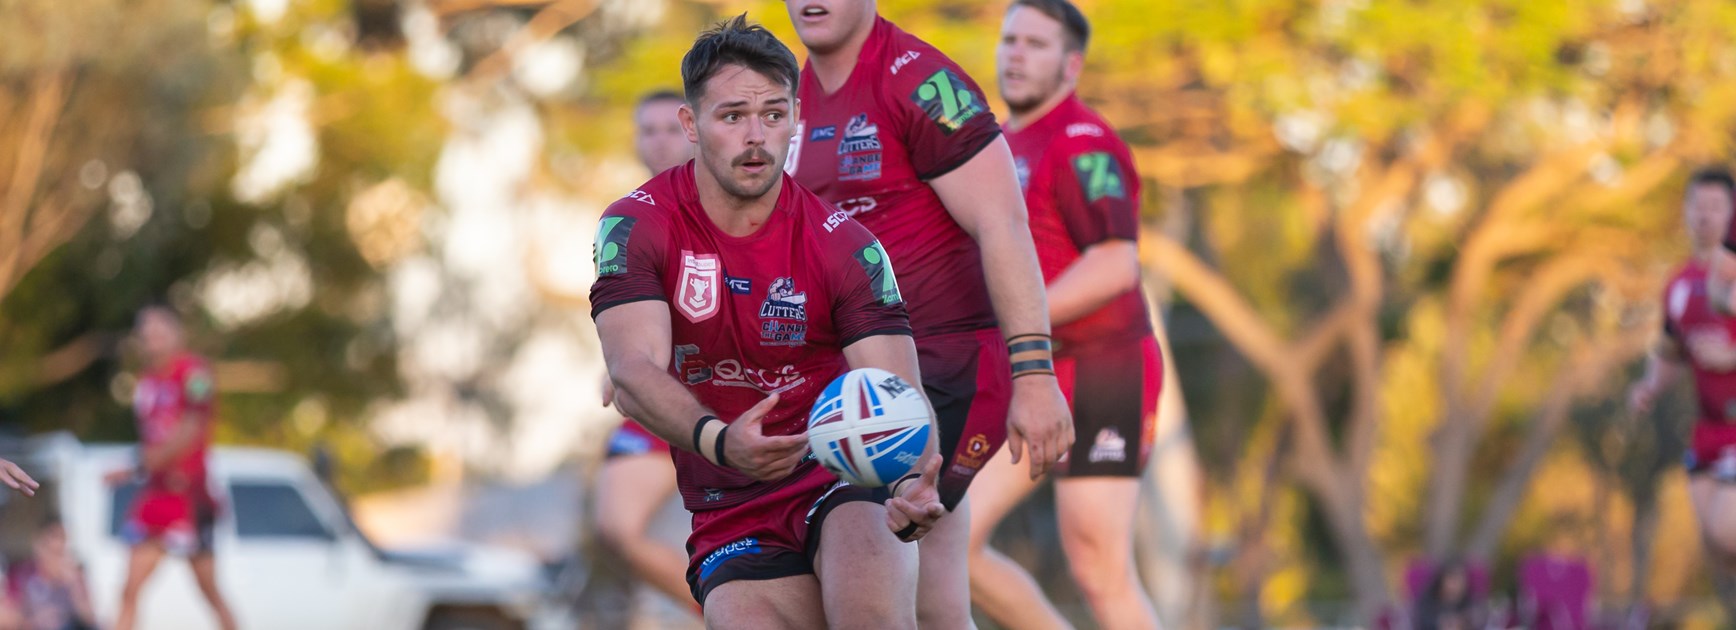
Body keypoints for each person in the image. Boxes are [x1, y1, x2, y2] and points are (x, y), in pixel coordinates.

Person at [589, 16, 944, 628]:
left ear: (795, 118)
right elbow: (632, 369)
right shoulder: (635, 224)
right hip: (729, 503)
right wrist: (721, 442)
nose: (756, 137)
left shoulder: (846, 246)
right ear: (691, 124)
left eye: (773, 115)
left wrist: (913, 484)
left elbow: (898, 393)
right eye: (732, 116)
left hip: (840, 473)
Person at [780, 1, 1075, 624]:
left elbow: (1003, 223)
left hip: (946, 366)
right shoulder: (789, 98)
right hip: (856, 374)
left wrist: (1035, 375)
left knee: (868, 569)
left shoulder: (919, 78)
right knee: (934, 601)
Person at [966, 1, 1165, 628]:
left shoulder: (1084, 142)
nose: (1016, 54)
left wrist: (1020, 320)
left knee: (1098, 565)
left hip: (1106, 368)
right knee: (951, 535)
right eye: (1010, 40)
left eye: (1036, 44)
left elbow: (1115, 264)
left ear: (1071, 65)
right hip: (1032, 370)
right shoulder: (996, 144)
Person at [592, 88, 700, 611]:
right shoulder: (629, 214)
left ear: (695, 131)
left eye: (670, 129)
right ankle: (727, 613)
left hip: (716, 384)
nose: (658, 141)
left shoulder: (721, 202)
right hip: (654, 387)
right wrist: (620, 363)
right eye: (646, 130)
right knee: (615, 526)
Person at [1628, 168, 1736, 613]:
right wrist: (1650, 385)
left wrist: (1732, 356)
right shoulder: (1677, 284)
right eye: (1698, 206)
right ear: (1686, 211)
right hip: (1706, 429)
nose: (1705, 216)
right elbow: (1671, 350)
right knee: (1716, 550)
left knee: (1727, 530)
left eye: (1716, 207)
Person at [109, 305, 238, 630]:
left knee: (209, 591)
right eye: (146, 335)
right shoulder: (146, 381)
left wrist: (137, 465)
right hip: (157, 494)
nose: (152, 341)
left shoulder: (196, 373)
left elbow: (191, 428)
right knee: (129, 590)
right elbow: (151, 435)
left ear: (177, 334)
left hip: (190, 495)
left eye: (159, 333)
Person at [4, 519, 98, 630]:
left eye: (61, 552)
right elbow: (6, 617)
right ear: (39, 546)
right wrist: (34, 621)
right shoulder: (22, 575)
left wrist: (74, 585)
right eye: (53, 551)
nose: (56, 559)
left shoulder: (75, 575)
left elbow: (90, 618)